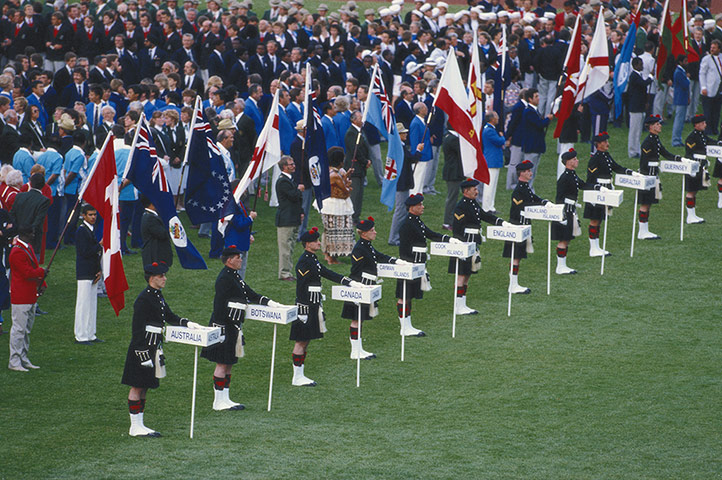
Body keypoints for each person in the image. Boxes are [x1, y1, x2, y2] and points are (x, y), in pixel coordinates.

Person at [121, 261, 201, 437]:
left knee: (145, 387)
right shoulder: (143, 299)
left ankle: (140, 423)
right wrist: (143, 355)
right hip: (142, 350)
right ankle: (135, 426)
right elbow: (137, 330)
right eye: (161, 276)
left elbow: (169, 316)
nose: (164, 278)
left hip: (154, 347)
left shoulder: (157, 295)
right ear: (151, 278)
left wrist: (187, 323)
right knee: (137, 386)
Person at [200, 246, 282, 410]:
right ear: (229, 260)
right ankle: (218, 401)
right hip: (224, 326)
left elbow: (249, 293)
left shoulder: (234, 276)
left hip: (233, 326)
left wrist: (270, 303)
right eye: (238, 257)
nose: (241, 260)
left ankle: (225, 397)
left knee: (229, 362)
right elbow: (219, 306)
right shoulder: (224, 278)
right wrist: (220, 329)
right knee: (222, 364)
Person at [291, 227, 359, 386]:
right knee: (301, 341)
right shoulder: (304, 261)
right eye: (316, 241)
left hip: (313, 305)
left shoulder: (312, 259)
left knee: (306, 341)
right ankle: (297, 376)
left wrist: (349, 282)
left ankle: (300, 374)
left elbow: (327, 273)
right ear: (308, 244)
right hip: (306, 307)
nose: (319, 243)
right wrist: (302, 309)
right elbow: (301, 287)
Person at [397, 194, 459, 336]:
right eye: (420, 205)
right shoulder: (406, 225)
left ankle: (408, 324)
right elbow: (404, 250)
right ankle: (404, 326)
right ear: (412, 208)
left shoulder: (417, 221)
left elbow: (430, 234)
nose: (422, 207)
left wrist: (449, 240)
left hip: (418, 264)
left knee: (410, 295)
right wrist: (410, 265)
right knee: (404, 295)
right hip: (410, 265)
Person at [341, 217, 403, 359]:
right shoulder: (359, 248)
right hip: (360, 285)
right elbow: (356, 270)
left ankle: (359, 349)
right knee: (356, 318)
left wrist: (395, 261)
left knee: (361, 318)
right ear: (364, 233)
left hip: (366, 285)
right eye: (372, 230)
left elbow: (378, 256)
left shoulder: (367, 245)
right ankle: (355, 351)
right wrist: (360, 286)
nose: (375, 232)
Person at [450, 178, 508, 314]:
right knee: (461, 275)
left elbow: (484, 216)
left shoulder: (472, 203)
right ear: (466, 191)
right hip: (464, 243)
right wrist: (461, 247)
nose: (477, 191)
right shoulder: (461, 206)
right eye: (474, 189)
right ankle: (458, 305)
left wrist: (503, 223)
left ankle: (462, 303)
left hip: (473, 242)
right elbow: (457, 229)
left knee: (468, 273)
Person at [584, 132, 636, 257]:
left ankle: (597, 246)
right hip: (598, 191)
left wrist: (631, 173)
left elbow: (616, 167)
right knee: (595, 219)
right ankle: (593, 248)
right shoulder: (595, 159)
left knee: (600, 219)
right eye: (605, 142)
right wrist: (594, 194)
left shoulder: (606, 156)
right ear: (598, 144)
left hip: (607, 189)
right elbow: (590, 179)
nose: (608, 144)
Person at [503, 161, 548, 294]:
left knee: (519, 256)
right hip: (517, 225)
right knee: (516, 256)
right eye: (528, 171)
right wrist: (538, 207)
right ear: (521, 173)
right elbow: (521, 207)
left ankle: (514, 282)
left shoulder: (525, 187)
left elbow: (532, 198)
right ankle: (513, 284)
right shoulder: (518, 190)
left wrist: (544, 202)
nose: (530, 173)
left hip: (523, 225)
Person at [8, 226, 47, 372]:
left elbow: (33, 267)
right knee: (18, 329)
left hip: (30, 295)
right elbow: (27, 272)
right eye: (31, 233)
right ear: (25, 235)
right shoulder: (17, 252)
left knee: (26, 330)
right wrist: (41, 272)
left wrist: (42, 283)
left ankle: (23, 358)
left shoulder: (27, 247)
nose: (33, 235)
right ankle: (14, 360)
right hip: (21, 296)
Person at [553, 149, 597, 274]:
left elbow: (582, 184)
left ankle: (562, 265)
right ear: (568, 162)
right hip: (565, 211)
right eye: (574, 159)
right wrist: (562, 215)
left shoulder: (572, 174)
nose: (577, 161)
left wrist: (597, 187)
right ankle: (560, 267)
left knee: (568, 238)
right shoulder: (565, 178)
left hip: (570, 210)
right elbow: (559, 197)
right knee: (564, 238)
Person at [638, 115, 682, 240]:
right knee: (645, 203)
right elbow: (644, 162)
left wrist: (680, 159)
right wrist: (646, 178)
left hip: (653, 175)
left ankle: (645, 230)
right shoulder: (648, 142)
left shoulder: (655, 139)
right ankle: (642, 231)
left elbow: (665, 153)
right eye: (657, 124)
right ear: (651, 127)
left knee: (649, 203)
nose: (660, 126)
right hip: (648, 175)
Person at [74, 204, 102, 345]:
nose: (93, 217)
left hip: (92, 271)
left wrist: (98, 270)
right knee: (83, 304)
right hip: (84, 272)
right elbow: (85, 252)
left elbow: (94, 254)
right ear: (83, 216)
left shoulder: (90, 230)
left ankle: (90, 333)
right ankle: (81, 335)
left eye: (95, 215)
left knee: (92, 303)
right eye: (90, 215)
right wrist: (99, 245)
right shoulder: (81, 231)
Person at [320, 146, 354, 264]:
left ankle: (328, 254)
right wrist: (348, 185)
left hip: (332, 205)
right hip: (335, 205)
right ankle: (331, 257)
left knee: (330, 230)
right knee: (334, 232)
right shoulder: (334, 175)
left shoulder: (330, 171)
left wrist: (345, 176)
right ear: (340, 161)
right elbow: (346, 191)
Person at [388, 123, 420, 246]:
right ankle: (393, 238)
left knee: (402, 210)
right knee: (401, 210)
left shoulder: (399, 146)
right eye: (403, 133)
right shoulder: (398, 147)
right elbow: (411, 158)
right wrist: (418, 151)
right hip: (401, 183)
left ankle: (399, 236)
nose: (406, 134)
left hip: (403, 182)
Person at [275, 155, 303, 281]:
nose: (294, 166)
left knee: (290, 247)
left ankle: (288, 271)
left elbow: (296, 201)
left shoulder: (290, 179)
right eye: (291, 164)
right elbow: (293, 196)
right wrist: (299, 190)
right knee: (285, 248)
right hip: (286, 219)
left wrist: (301, 212)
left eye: (293, 163)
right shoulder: (282, 181)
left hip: (292, 217)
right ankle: (284, 273)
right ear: (284, 167)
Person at [10, 173, 50, 259]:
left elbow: (12, 216)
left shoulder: (20, 196)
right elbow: (38, 221)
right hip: (32, 239)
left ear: (30, 183)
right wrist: (29, 233)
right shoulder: (44, 200)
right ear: (43, 185)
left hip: (18, 236)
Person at [685, 115, 715, 221]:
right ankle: (690, 216)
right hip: (694, 165)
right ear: (697, 125)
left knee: (695, 190)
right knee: (691, 190)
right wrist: (691, 168)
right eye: (703, 123)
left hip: (701, 165)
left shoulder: (701, 135)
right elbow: (689, 153)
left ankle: (693, 214)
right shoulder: (691, 138)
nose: (705, 125)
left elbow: (709, 141)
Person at [344, 110, 371, 223]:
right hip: (354, 168)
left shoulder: (359, 132)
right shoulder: (351, 133)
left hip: (360, 168)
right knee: (355, 194)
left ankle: (356, 216)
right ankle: (352, 217)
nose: (362, 120)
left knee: (359, 194)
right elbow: (356, 150)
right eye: (360, 118)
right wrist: (365, 161)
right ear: (354, 120)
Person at [442, 123, 465, 230]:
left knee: (453, 196)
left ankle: (451, 219)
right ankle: (447, 221)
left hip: (452, 171)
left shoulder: (449, 136)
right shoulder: (453, 139)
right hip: (453, 172)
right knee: (452, 198)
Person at [140, 195, 173, 268]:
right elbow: (162, 234)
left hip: (155, 253)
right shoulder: (150, 218)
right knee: (156, 276)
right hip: (155, 254)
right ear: (152, 204)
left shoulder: (149, 215)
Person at [481, 111, 505, 213]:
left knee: (493, 185)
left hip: (493, 160)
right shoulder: (489, 131)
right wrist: (502, 136)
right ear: (492, 119)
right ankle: (486, 207)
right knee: (489, 185)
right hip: (491, 160)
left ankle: (491, 206)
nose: (498, 118)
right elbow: (500, 141)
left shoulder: (489, 129)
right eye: (496, 117)